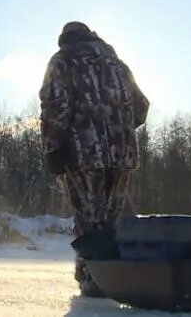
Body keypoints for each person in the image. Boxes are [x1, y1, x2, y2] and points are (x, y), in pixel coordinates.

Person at [39, 21, 149, 296]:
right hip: (122, 155)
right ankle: (112, 278)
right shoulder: (116, 63)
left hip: (84, 153)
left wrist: (54, 147)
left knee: (89, 217)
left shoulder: (62, 61)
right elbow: (142, 106)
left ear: (64, 40)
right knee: (111, 219)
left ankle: (94, 280)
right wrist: (118, 129)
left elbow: (56, 105)